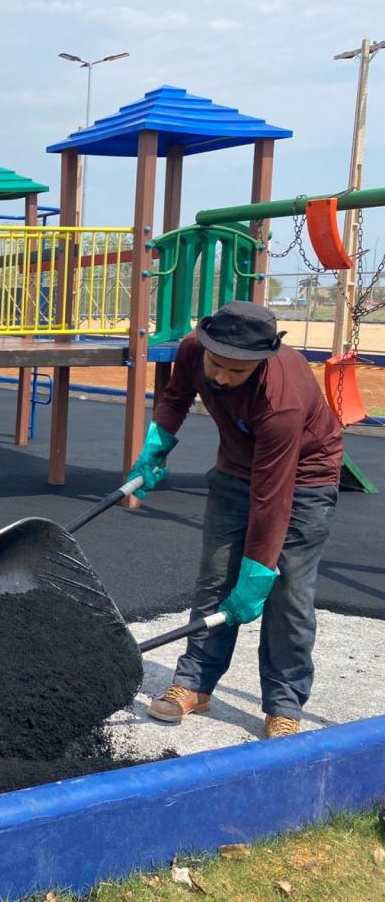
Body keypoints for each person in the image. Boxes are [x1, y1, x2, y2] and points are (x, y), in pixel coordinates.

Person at [127, 300, 342, 739]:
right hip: (235, 469)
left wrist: (258, 571)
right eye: (217, 364)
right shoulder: (193, 349)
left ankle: (284, 704)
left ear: (260, 362)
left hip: (304, 479)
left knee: (287, 594)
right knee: (215, 579)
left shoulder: (280, 400)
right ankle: (194, 683)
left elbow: (272, 498)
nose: (222, 378)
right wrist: (156, 445)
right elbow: (176, 397)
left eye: (236, 371)